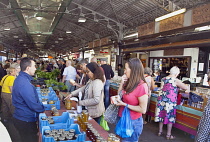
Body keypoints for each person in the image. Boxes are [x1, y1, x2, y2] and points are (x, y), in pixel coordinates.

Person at [12, 57, 45, 142]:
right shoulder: (24, 83)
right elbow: (32, 103)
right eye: (34, 66)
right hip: (25, 119)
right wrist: (42, 108)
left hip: (22, 116)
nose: (35, 68)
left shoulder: (22, 79)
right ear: (28, 68)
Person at [116, 58, 149, 142]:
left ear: (133, 70)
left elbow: (143, 109)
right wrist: (122, 83)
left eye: (126, 69)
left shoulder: (142, 86)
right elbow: (119, 95)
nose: (124, 71)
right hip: (122, 118)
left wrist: (125, 105)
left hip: (133, 122)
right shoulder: (129, 82)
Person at [154, 66, 188, 140]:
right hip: (170, 101)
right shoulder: (176, 80)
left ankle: (160, 132)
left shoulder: (163, 79)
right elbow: (185, 87)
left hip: (161, 100)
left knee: (161, 115)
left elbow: (162, 88)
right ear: (176, 73)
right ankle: (168, 135)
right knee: (170, 117)